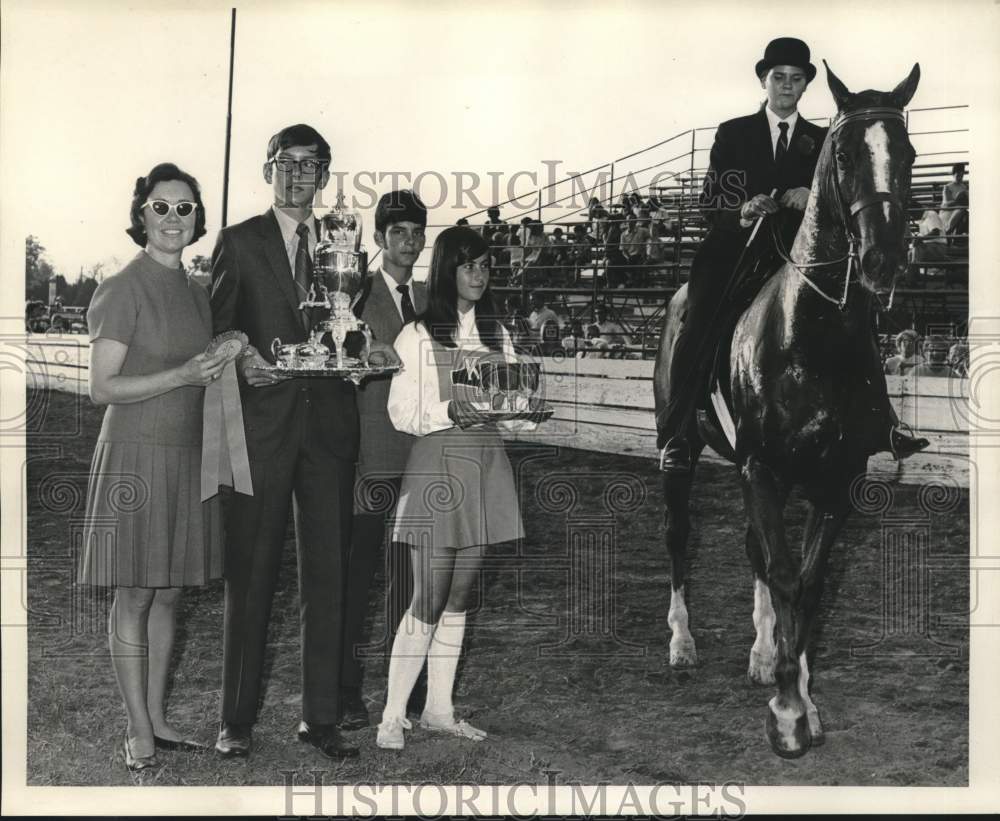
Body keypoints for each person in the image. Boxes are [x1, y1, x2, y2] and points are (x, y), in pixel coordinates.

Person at [658, 36, 926, 471]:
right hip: (737, 250)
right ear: (764, 81)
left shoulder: (826, 140)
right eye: (778, 77)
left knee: (858, 310)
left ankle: (881, 421)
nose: (786, 85)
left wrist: (811, 194)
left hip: (800, 256)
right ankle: (678, 433)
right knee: (700, 314)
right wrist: (743, 208)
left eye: (795, 79)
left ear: (805, 87)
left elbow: (842, 195)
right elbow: (710, 201)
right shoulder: (734, 133)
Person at [209, 123, 372, 760]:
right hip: (263, 427)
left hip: (329, 427)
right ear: (267, 168)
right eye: (288, 163)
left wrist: (362, 355)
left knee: (326, 575)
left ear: (326, 176)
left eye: (313, 165)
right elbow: (219, 328)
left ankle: (321, 716)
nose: (299, 175)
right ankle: (236, 719)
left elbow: (347, 330)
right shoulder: (239, 241)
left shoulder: (345, 242)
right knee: (251, 574)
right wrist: (245, 357)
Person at [78, 163, 226, 773]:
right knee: (135, 592)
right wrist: (184, 374)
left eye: (184, 208)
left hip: (188, 455)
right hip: (136, 456)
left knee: (169, 593)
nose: (173, 218)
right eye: (161, 207)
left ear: (197, 219)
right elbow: (102, 388)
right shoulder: (122, 286)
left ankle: (160, 718)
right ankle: (138, 727)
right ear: (141, 215)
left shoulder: (197, 291)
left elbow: (206, 371)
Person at [376, 226, 541, 750]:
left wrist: (528, 414)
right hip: (437, 467)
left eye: (485, 264)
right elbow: (400, 413)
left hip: (485, 465)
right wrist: (450, 409)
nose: (478, 273)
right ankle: (391, 715)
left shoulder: (499, 335)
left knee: (461, 595)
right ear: (446, 270)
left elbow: (510, 410)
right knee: (429, 594)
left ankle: (440, 711)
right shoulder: (418, 334)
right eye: (467, 264)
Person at [340, 190, 430, 729]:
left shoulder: (426, 300)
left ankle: (406, 690)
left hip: (417, 460)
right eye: (398, 233)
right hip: (371, 457)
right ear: (378, 239)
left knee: (408, 578)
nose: (409, 242)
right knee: (358, 577)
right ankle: (346, 690)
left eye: (417, 233)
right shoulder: (354, 295)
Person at [940, 162, 969, 238]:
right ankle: (948, 231)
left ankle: (957, 238)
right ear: (953, 174)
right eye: (958, 175)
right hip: (948, 213)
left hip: (960, 212)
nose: (960, 178)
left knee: (965, 213)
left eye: (962, 176)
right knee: (962, 210)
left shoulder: (964, 187)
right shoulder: (947, 187)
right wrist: (958, 200)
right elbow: (946, 205)